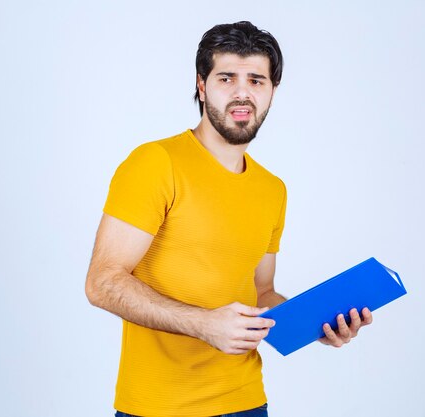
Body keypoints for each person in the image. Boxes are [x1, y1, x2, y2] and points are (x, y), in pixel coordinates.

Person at [85, 21, 373, 417]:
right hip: (159, 406)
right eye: (226, 78)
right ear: (202, 86)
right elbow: (102, 282)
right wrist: (204, 324)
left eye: (256, 80)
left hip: (246, 401)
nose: (242, 92)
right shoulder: (155, 164)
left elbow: (262, 293)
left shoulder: (272, 189)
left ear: (272, 91)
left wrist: (317, 325)